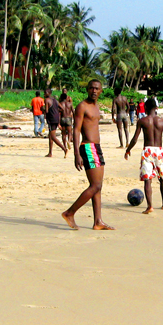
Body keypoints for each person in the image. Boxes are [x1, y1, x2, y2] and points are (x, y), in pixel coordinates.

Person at [62, 79, 114, 231]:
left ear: (101, 91)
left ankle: (98, 221)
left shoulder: (96, 107)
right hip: (87, 147)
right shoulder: (82, 106)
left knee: (98, 186)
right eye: (91, 88)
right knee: (95, 185)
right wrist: (76, 153)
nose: (94, 91)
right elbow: (76, 130)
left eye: (97, 89)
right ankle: (69, 212)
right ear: (87, 89)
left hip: (96, 147)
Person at [125, 97, 163, 214]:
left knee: (147, 180)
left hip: (147, 150)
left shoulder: (142, 121)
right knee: (162, 178)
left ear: (145, 108)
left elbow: (135, 139)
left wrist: (128, 150)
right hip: (159, 151)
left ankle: (149, 206)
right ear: (156, 108)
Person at [44, 88, 68, 158]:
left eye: (45, 93)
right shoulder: (55, 100)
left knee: (53, 137)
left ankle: (64, 149)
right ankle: (50, 152)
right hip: (56, 118)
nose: (44, 94)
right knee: (50, 136)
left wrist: (43, 109)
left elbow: (47, 111)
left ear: (49, 93)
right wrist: (56, 111)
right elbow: (62, 108)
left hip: (51, 119)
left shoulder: (47, 100)